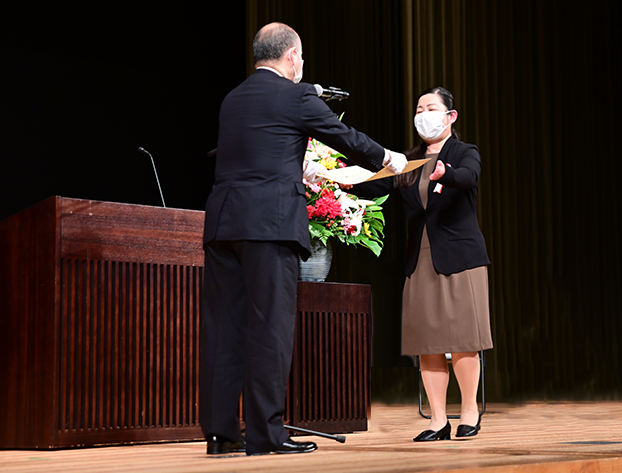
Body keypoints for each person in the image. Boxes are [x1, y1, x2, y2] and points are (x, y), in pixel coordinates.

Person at [200, 22, 407, 456]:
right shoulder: (297, 96)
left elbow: (263, 151)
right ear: (292, 56)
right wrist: (389, 157)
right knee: (270, 330)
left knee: (225, 330)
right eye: (302, 57)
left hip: (223, 225)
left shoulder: (232, 98)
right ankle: (266, 434)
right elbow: (344, 138)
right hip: (269, 225)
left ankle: (220, 435)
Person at [350, 86, 493, 441]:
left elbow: (469, 177)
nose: (423, 114)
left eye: (431, 107)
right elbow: (372, 186)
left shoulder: (464, 152)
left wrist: (446, 173)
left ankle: (470, 411)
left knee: (462, 339)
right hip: (421, 259)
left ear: (450, 116)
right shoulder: (408, 159)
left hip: (460, 257)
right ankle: (438, 420)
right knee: (427, 343)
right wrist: (331, 176)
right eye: (419, 108)